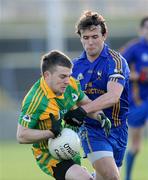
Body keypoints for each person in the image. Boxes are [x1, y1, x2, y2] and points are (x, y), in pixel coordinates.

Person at [64, 11, 130, 180]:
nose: (90, 42)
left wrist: (83, 110)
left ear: (104, 35)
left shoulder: (115, 61)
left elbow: (113, 96)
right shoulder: (75, 68)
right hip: (91, 130)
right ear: (80, 38)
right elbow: (68, 99)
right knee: (112, 176)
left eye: (94, 36)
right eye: (85, 38)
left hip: (119, 129)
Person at [16, 50, 96, 180]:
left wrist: (99, 116)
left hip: (70, 145)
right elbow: (21, 136)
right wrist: (51, 132)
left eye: (69, 76)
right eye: (62, 76)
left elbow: (87, 104)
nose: (67, 81)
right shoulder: (35, 100)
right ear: (47, 75)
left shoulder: (71, 84)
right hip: (48, 154)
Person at [120, 17, 148, 180]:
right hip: (137, 103)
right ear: (141, 30)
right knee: (135, 147)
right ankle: (127, 177)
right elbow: (118, 67)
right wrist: (137, 76)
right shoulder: (135, 48)